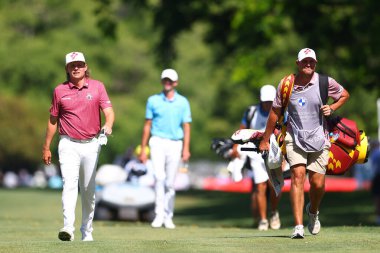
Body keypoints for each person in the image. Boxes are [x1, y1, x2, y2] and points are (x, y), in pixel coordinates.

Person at [259, 48, 349, 239]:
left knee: (317, 184)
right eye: (305, 62)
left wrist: (332, 107)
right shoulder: (286, 84)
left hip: (319, 137)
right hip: (294, 136)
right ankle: (298, 225)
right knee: (298, 176)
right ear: (298, 63)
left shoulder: (325, 82)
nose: (309, 65)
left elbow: (344, 95)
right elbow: (275, 112)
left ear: (315, 63)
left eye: (312, 62)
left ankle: (313, 211)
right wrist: (265, 139)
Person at [42, 52, 114, 241]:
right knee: (69, 184)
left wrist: (108, 125)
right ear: (67, 68)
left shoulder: (98, 87)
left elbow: (109, 112)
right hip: (67, 143)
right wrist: (46, 147)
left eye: (79, 64)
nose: (76, 68)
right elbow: (52, 120)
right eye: (72, 65)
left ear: (85, 66)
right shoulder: (60, 91)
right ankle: (68, 228)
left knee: (88, 189)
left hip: (91, 144)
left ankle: (87, 231)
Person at [139, 69, 191, 229]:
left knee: (169, 182)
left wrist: (186, 149)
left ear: (175, 83)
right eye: (165, 80)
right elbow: (147, 125)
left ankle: (168, 216)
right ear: (162, 82)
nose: (167, 83)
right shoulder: (153, 100)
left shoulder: (183, 102)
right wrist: (143, 148)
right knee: (159, 178)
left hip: (175, 143)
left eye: (170, 80)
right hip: (157, 142)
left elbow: (186, 126)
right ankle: (159, 214)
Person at [235, 85, 282, 231]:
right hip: (255, 154)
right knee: (260, 186)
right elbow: (242, 129)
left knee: (273, 186)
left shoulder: (281, 112)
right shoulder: (252, 112)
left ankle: (273, 212)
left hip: (275, 153)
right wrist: (235, 147)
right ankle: (263, 219)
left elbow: (285, 132)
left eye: (270, 101)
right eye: (265, 101)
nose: (268, 105)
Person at [370, 141, 380, 225]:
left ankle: (378, 217)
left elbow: (372, 166)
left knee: (377, 198)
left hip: (377, 177)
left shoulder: (375, 153)